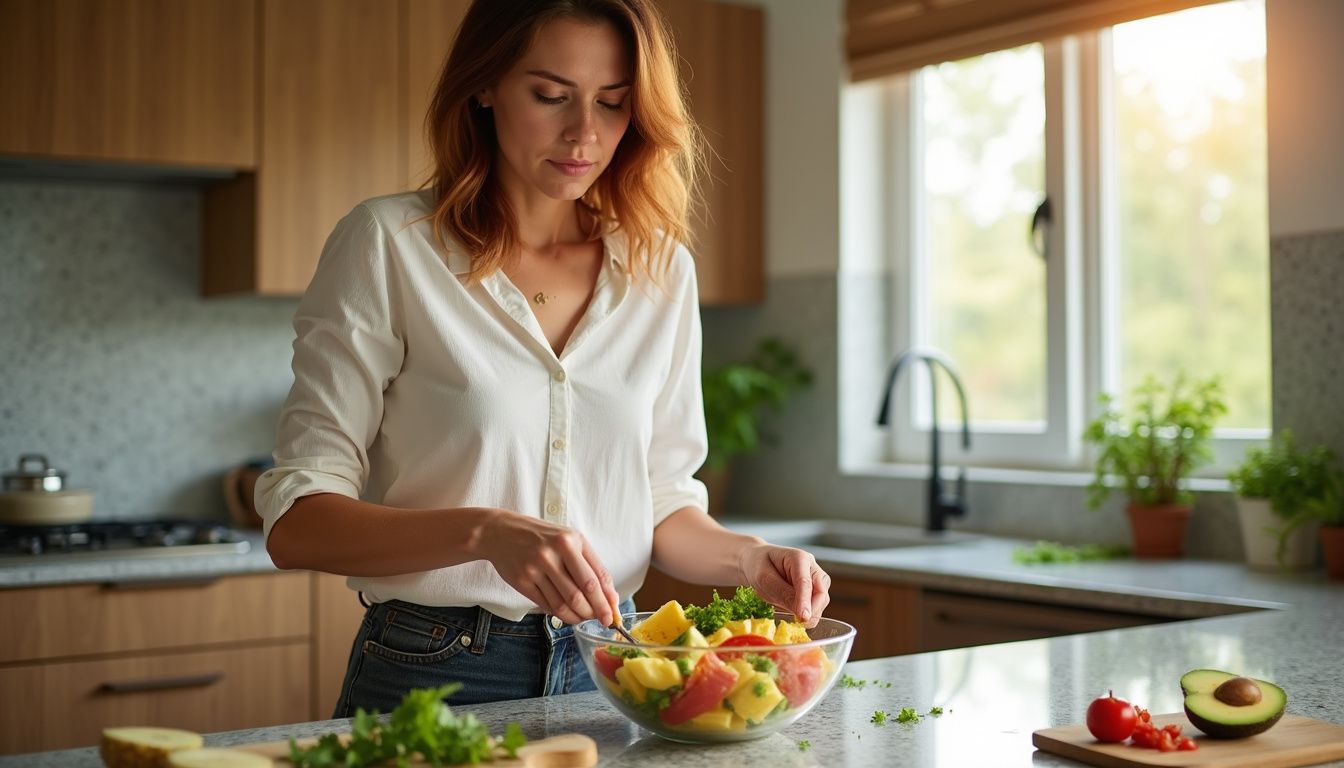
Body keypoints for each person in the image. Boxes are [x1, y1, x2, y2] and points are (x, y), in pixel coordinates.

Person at [254, 0, 831, 717]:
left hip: (614, 664)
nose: (585, 132)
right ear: (485, 85)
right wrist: (485, 532)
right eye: (551, 95)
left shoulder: (659, 270)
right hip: (434, 666)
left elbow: (662, 504)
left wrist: (749, 560)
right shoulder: (388, 245)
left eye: (613, 103)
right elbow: (297, 521)